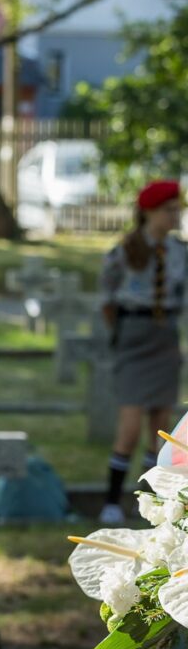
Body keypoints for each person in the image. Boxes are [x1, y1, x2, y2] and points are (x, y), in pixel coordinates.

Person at [98, 180, 186, 524]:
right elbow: (106, 299)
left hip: (165, 338)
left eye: (177, 209)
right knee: (130, 428)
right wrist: (122, 334)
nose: (176, 215)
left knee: (161, 427)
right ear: (149, 212)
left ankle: (151, 504)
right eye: (169, 210)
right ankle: (111, 500)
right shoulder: (125, 250)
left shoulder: (180, 251)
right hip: (134, 337)